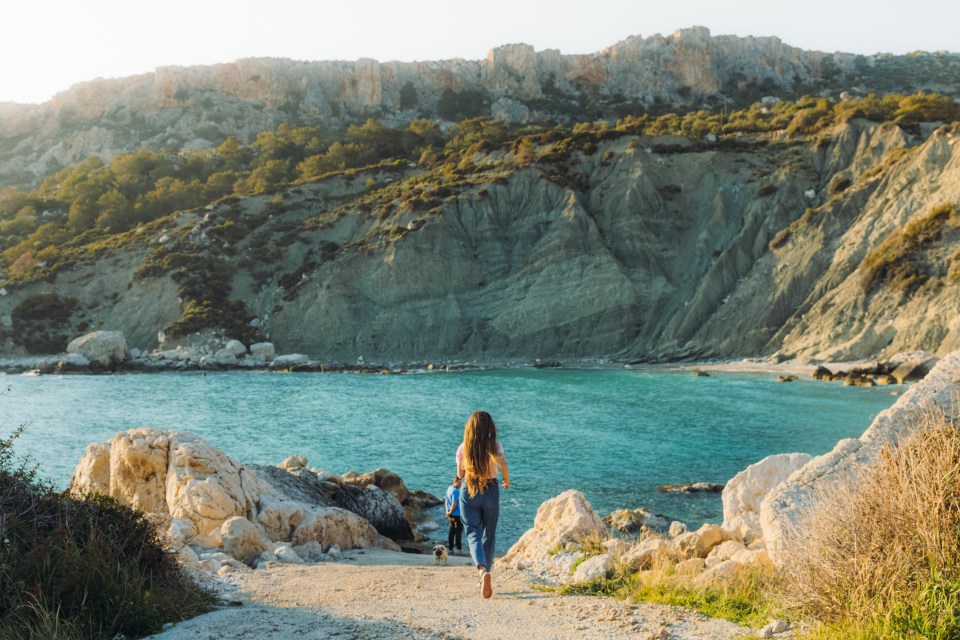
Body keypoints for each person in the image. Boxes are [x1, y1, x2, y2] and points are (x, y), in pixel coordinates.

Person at [456, 409, 510, 599]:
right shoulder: (496, 447)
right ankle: (487, 570)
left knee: (473, 532)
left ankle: (481, 571)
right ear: (490, 428)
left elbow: (461, 473)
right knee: (489, 533)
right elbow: (503, 465)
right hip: (490, 490)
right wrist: (506, 480)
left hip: (469, 489)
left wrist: (458, 478)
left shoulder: (463, 448)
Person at [445, 476, 463, 552]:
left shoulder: (449, 488)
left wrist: (447, 511)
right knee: (458, 531)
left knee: (452, 530)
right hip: (457, 514)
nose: (460, 484)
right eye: (459, 482)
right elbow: (454, 503)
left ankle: (450, 548)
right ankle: (458, 548)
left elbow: (446, 501)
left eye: (461, 483)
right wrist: (450, 511)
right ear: (455, 482)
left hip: (450, 514)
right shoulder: (456, 491)